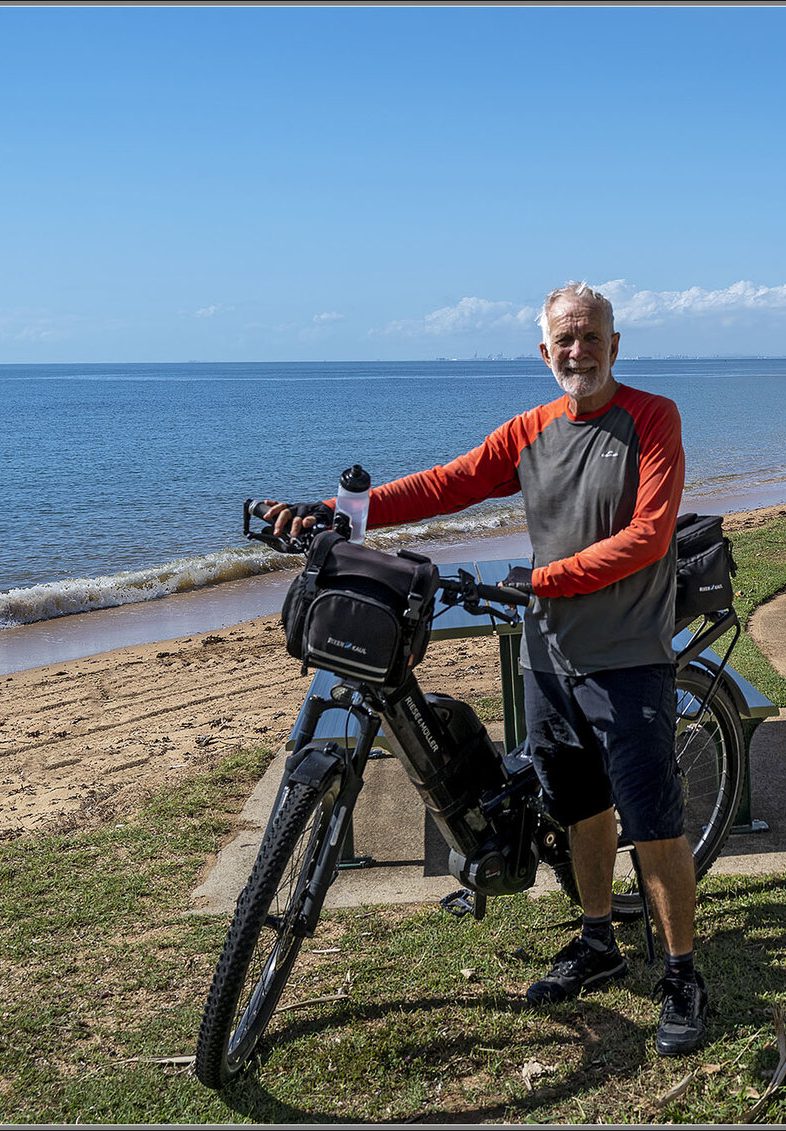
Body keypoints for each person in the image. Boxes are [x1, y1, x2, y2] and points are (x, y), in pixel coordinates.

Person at [260, 282, 709, 1056]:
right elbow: (450, 482)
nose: (578, 350)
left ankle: (681, 973)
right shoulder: (532, 429)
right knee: (579, 807)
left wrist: (541, 579)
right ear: (545, 352)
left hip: (629, 654)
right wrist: (344, 515)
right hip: (551, 654)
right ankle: (598, 940)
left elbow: (647, 535)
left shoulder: (652, 417)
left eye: (591, 336)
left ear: (615, 343)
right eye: (563, 339)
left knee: (654, 822)